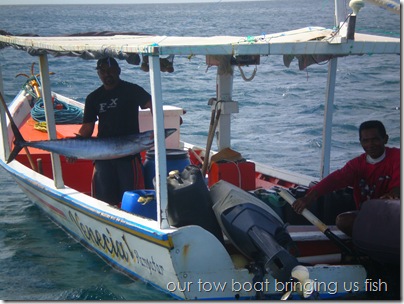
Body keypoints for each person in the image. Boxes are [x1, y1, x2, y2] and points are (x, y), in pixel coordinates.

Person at [292, 120, 400, 236]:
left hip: (395, 215)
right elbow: (334, 180)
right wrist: (309, 197)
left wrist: (392, 196)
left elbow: (398, 187)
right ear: (360, 142)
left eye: (375, 139)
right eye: (365, 141)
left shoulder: (398, 157)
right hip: (369, 216)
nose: (370, 145)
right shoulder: (356, 165)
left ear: (385, 139)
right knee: (343, 221)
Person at [74, 57, 152, 206]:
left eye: (110, 71)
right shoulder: (93, 98)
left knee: (132, 199)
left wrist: (159, 123)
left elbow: (151, 105)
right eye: (102, 71)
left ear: (118, 71)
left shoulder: (132, 90)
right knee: (103, 201)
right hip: (103, 157)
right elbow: (87, 128)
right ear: (98, 74)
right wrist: (74, 148)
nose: (106, 74)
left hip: (128, 156)